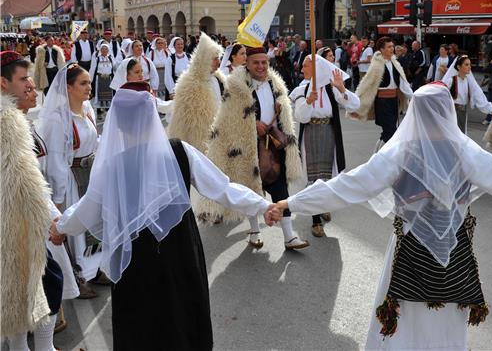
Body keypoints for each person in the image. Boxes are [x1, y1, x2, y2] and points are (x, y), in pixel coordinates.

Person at [274, 82, 492, 351]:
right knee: (446, 313)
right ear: (447, 111)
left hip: (409, 246)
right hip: (453, 245)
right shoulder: (463, 151)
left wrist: (291, 202)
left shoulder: (401, 153)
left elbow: (349, 185)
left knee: (405, 316)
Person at [50, 86, 282, 350]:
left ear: (121, 125)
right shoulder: (180, 151)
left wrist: (61, 227)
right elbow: (224, 188)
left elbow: (87, 209)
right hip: (180, 253)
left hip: (137, 261)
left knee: (143, 326)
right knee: (182, 319)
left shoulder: (113, 166)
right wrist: (263, 205)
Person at [196, 46, 309, 250]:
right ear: (246, 63)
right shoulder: (236, 87)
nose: (261, 66)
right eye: (256, 62)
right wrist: (252, 123)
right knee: (251, 188)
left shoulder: (276, 84)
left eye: (264, 62)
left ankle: (289, 236)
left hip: (274, 144)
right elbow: (228, 118)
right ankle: (254, 231)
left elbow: (284, 113)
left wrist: (278, 117)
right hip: (249, 146)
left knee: (281, 189)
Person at [0, 51, 67, 351]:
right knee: (48, 281)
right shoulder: (7, 123)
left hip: (16, 221)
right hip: (16, 223)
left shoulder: (13, 120)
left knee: (18, 296)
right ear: (3, 83)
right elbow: (27, 183)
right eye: (23, 78)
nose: (30, 85)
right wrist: (51, 220)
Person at [37, 64, 102, 300]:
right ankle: (79, 275)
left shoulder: (87, 109)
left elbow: (95, 141)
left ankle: (95, 269)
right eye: (83, 83)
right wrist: (59, 197)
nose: (89, 87)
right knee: (76, 229)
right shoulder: (57, 119)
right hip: (71, 178)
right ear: (68, 88)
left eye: (89, 82)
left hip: (90, 174)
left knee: (94, 223)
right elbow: (55, 159)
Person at [289, 54, 360, 237]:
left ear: (316, 68)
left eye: (305, 66)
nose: (302, 69)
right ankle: (315, 220)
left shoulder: (330, 88)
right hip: (311, 133)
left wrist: (342, 88)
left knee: (327, 176)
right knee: (313, 178)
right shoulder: (301, 90)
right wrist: (309, 101)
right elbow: (300, 117)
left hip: (329, 132)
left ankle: (323, 205)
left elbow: (354, 104)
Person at [348, 37, 413, 151]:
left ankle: (377, 155)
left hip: (394, 102)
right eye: (389, 47)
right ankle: (382, 157)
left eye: (392, 46)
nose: (392, 49)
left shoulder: (395, 63)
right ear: (381, 49)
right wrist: (355, 102)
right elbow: (366, 84)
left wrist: (413, 97)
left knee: (388, 131)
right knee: (390, 131)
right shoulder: (376, 65)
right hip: (382, 103)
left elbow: (403, 83)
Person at [168, 32, 226, 151]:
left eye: (218, 58)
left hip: (221, 133)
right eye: (215, 59)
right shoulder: (188, 84)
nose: (218, 62)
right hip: (197, 140)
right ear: (205, 59)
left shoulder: (219, 79)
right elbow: (182, 120)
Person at [442, 55, 492, 134]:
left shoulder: (469, 81)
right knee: (453, 136)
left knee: (461, 136)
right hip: (452, 113)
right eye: (466, 65)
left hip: (463, 113)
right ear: (459, 67)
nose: (469, 67)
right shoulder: (451, 80)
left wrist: (491, 110)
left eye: (470, 64)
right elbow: (440, 94)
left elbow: (478, 94)